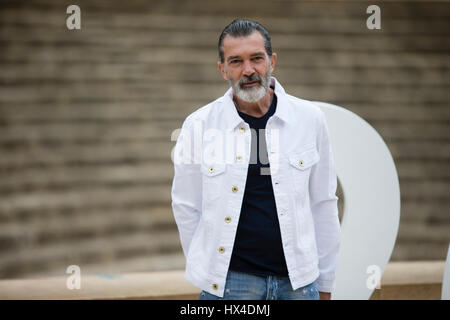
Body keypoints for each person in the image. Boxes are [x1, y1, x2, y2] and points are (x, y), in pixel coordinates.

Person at [171, 19, 341, 300]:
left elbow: (323, 203)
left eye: (256, 58)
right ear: (222, 69)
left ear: (271, 61)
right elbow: (186, 206)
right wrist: (211, 272)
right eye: (235, 61)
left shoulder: (310, 119)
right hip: (231, 284)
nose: (248, 70)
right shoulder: (198, 125)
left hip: (299, 283)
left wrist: (325, 283)